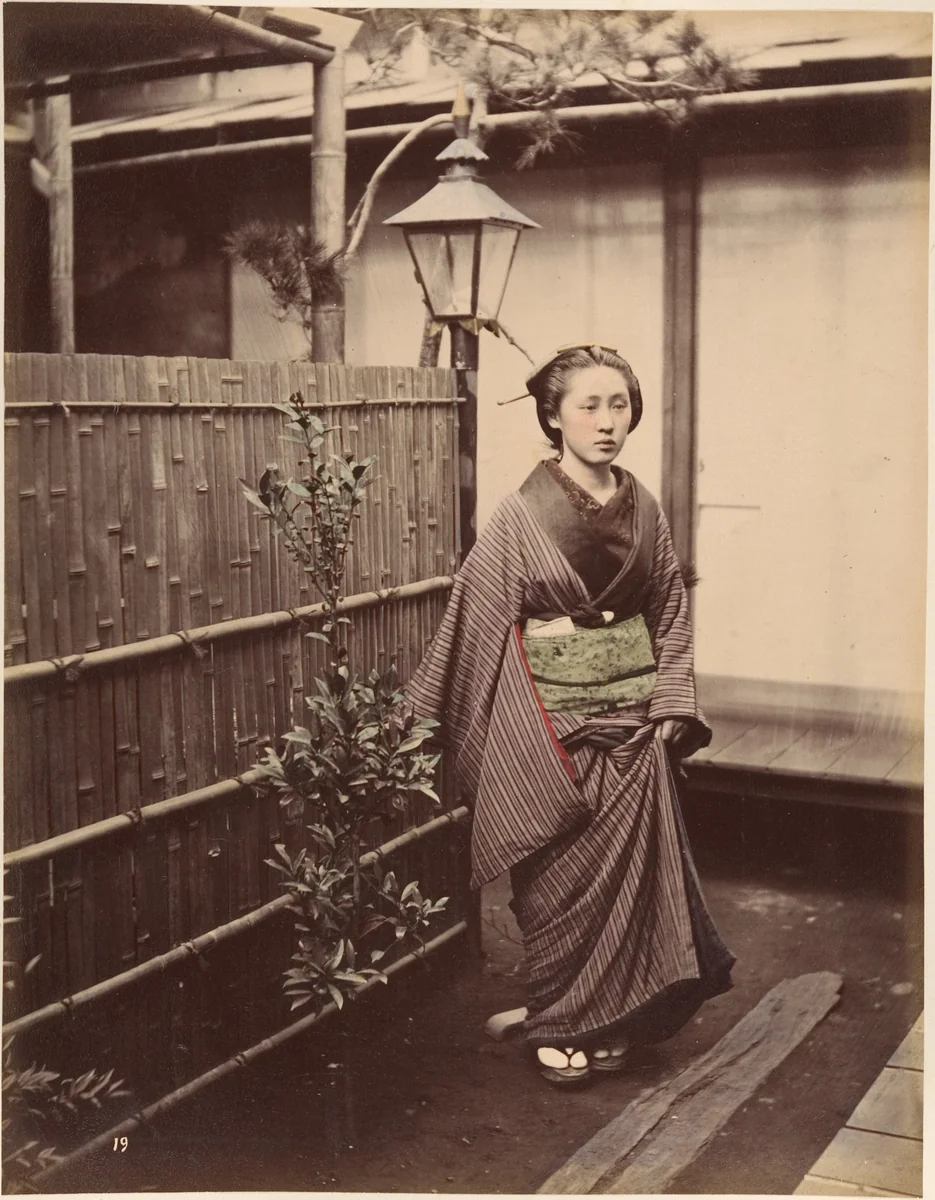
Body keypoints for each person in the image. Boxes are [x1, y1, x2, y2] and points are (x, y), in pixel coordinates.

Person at [404, 343, 734, 1087]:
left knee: (632, 888)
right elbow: (475, 619)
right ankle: (558, 1014)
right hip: (545, 731)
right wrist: (443, 724)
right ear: (552, 416)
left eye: (618, 403)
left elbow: (669, 611)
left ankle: (608, 1018)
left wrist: (671, 699)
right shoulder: (519, 516)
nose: (606, 421)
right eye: (587, 405)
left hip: (631, 725)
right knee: (555, 885)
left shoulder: (644, 508)